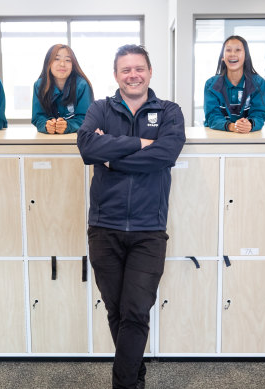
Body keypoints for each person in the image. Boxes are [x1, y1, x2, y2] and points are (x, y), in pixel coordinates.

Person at [77, 44, 185, 389]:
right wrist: (141, 144)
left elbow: (166, 154)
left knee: (136, 311)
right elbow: (86, 147)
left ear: (150, 72)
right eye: (126, 70)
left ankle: (124, 385)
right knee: (117, 312)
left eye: (139, 68)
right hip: (103, 227)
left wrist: (112, 154)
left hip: (148, 230)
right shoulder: (99, 108)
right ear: (116, 76)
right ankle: (135, 376)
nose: (133, 75)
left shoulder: (169, 111)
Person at [203, 35, 265, 133]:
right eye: (228, 50)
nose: (232, 54)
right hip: (217, 136)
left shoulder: (258, 83)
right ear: (222, 57)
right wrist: (232, 126)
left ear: (246, 56)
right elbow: (212, 116)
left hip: (248, 137)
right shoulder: (211, 84)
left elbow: (259, 113)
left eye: (238, 50)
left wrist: (249, 124)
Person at [32, 44, 94, 134]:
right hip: (48, 139)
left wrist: (68, 125)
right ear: (48, 63)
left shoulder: (82, 85)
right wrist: (46, 125)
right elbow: (37, 117)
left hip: (75, 139)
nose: (62, 64)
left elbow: (86, 118)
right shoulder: (39, 85)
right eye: (56, 59)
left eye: (68, 60)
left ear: (73, 65)